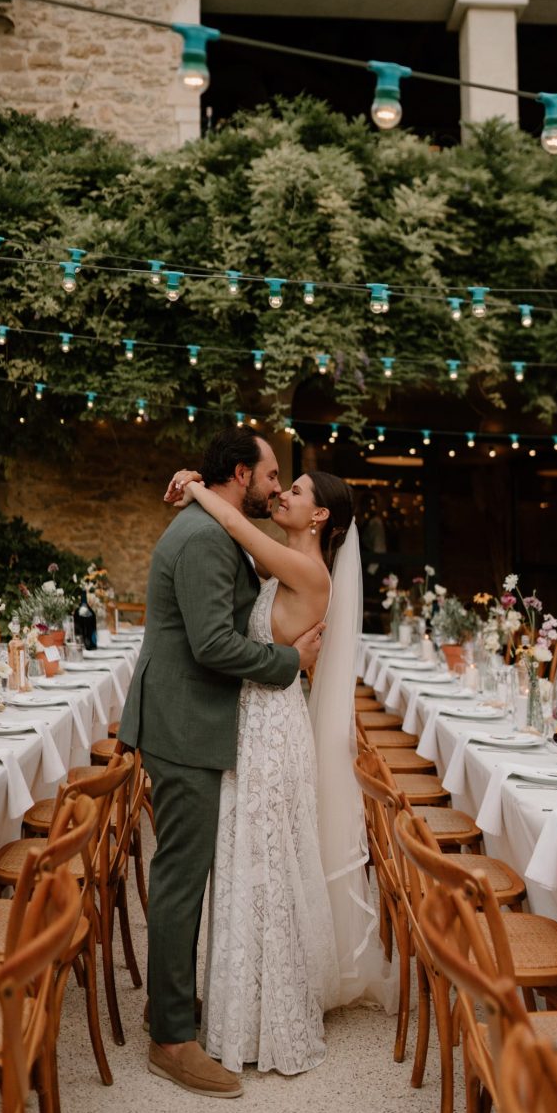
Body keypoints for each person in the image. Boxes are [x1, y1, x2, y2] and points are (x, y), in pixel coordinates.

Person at [166, 460, 395, 1076]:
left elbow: (237, 526)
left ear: (320, 515)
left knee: (264, 862)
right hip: (259, 722)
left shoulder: (307, 568)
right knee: (249, 860)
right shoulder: (283, 562)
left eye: (295, 490)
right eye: (282, 484)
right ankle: (243, 1008)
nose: (284, 493)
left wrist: (194, 488)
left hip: (272, 729)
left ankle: (272, 1017)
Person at [118, 428, 324, 1100]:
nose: (275, 487)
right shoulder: (206, 539)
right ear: (242, 473)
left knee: (185, 869)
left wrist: (198, 487)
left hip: (189, 717)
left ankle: (167, 1005)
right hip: (184, 721)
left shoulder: (216, 525)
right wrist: (290, 664)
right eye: (270, 476)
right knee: (182, 874)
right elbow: (210, 644)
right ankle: (172, 1042)